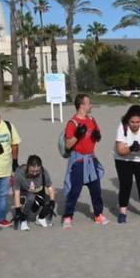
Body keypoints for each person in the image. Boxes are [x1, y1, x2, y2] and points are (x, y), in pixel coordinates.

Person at [62, 93, 107, 227]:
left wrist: (97, 136)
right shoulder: (72, 123)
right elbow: (68, 145)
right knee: (74, 191)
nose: (91, 105)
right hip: (78, 162)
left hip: (91, 160)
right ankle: (68, 216)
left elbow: (98, 137)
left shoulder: (92, 120)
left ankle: (98, 214)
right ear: (82, 105)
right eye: (89, 103)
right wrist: (77, 135)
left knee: (96, 190)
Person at [114, 104, 140, 223]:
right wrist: (131, 148)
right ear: (128, 120)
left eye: (138, 122)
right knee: (125, 184)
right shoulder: (122, 127)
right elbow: (120, 150)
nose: (135, 124)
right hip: (123, 160)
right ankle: (122, 213)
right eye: (132, 122)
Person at [11, 155, 57, 229]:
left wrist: (52, 202)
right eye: (32, 171)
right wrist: (18, 210)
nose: (35, 173)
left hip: (36, 191)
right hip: (23, 193)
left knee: (49, 200)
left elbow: (50, 188)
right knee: (31, 197)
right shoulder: (19, 173)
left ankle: (40, 218)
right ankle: (23, 218)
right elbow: (17, 192)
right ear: (27, 167)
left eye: (37, 171)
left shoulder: (43, 172)